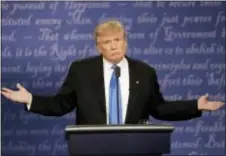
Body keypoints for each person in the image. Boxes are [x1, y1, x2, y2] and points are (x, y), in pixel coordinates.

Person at [1, 20, 224, 125]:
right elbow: (62, 104)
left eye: (118, 40)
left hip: (136, 148)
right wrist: (30, 99)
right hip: (91, 148)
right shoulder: (81, 70)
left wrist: (195, 105)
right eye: (107, 42)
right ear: (99, 47)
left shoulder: (145, 72)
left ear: (125, 42)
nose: (114, 46)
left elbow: (159, 108)